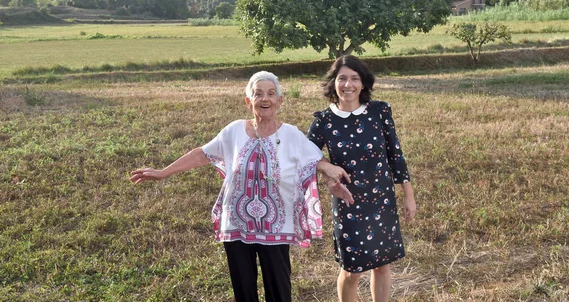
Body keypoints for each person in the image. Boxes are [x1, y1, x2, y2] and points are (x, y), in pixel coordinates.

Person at [130, 71, 353, 302]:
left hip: (276, 228)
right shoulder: (234, 130)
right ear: (249, 102)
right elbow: (203, 154)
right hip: (237, 224)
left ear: (279, 101)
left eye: (270, 94)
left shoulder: (291, 134)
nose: (265, 99)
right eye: (257, 94)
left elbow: (315, 159)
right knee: (243, 290)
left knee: (279, 289)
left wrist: (330, 172)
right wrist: (163, 172)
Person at [307, 55, 417, 302]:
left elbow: (395, 156)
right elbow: (303, 156)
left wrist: (408, 196)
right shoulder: (324, 120)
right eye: (342, 78)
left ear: (364, 83)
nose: (348, 85)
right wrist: (326, 166)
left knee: (382, 266)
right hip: (349, 204)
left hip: (382, 201)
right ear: (334, 83)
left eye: (355, 78)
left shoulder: (379, 111)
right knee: (352, 270)